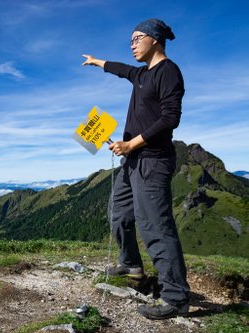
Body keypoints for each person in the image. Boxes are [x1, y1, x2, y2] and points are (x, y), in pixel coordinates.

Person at [82, 18, 190, 320]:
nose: (131, 44)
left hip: (153, 161)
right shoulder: (141, 74)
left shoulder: (169, 72)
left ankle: (176, 297)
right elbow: (121, 70)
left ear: (154, 39)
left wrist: (132, 144)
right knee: (118, 212)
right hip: (132, 161)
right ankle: (130, 263)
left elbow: (170, 119)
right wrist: (97, 62)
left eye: (136, 38)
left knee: (155, 225)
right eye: (129, 40)